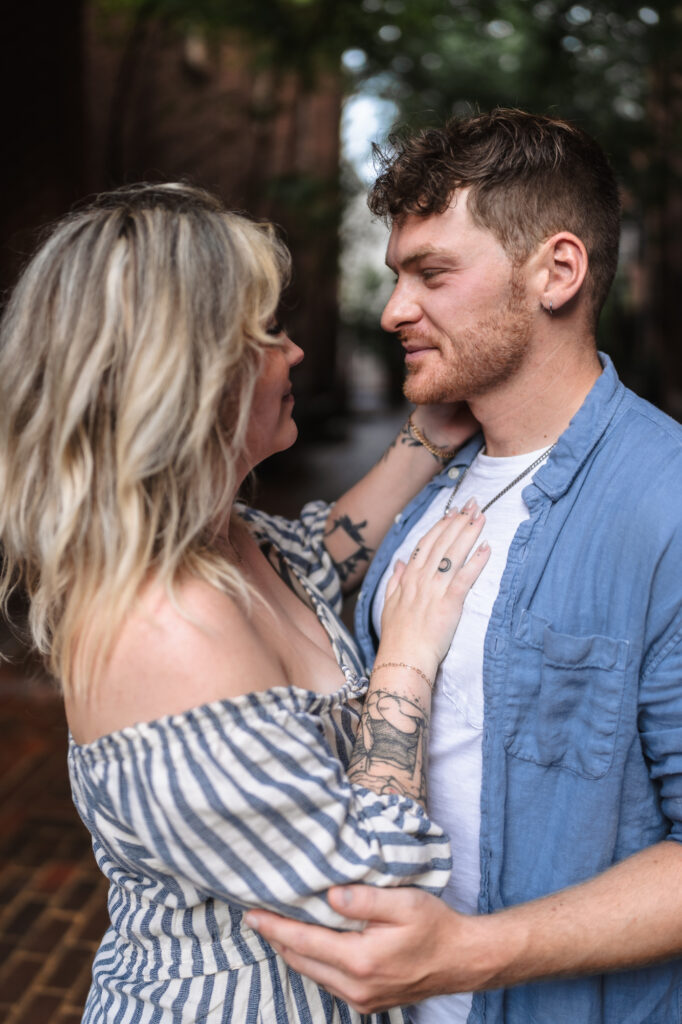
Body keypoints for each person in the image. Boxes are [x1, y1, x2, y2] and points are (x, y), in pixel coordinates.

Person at [0, 182, 490, 1024]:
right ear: (187, 373)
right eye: (264, 333)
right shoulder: (164, 633)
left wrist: (424, 439)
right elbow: (370, 894)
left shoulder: (223, 539)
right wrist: (407, 659)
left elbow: (320, 553)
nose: (294, 352)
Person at [244, 109, 682, 1023]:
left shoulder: (664, 503)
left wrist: (471, 957)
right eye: (399, 273)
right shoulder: (431, 481)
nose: (393, 309)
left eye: (432, 274)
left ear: (557, 271)